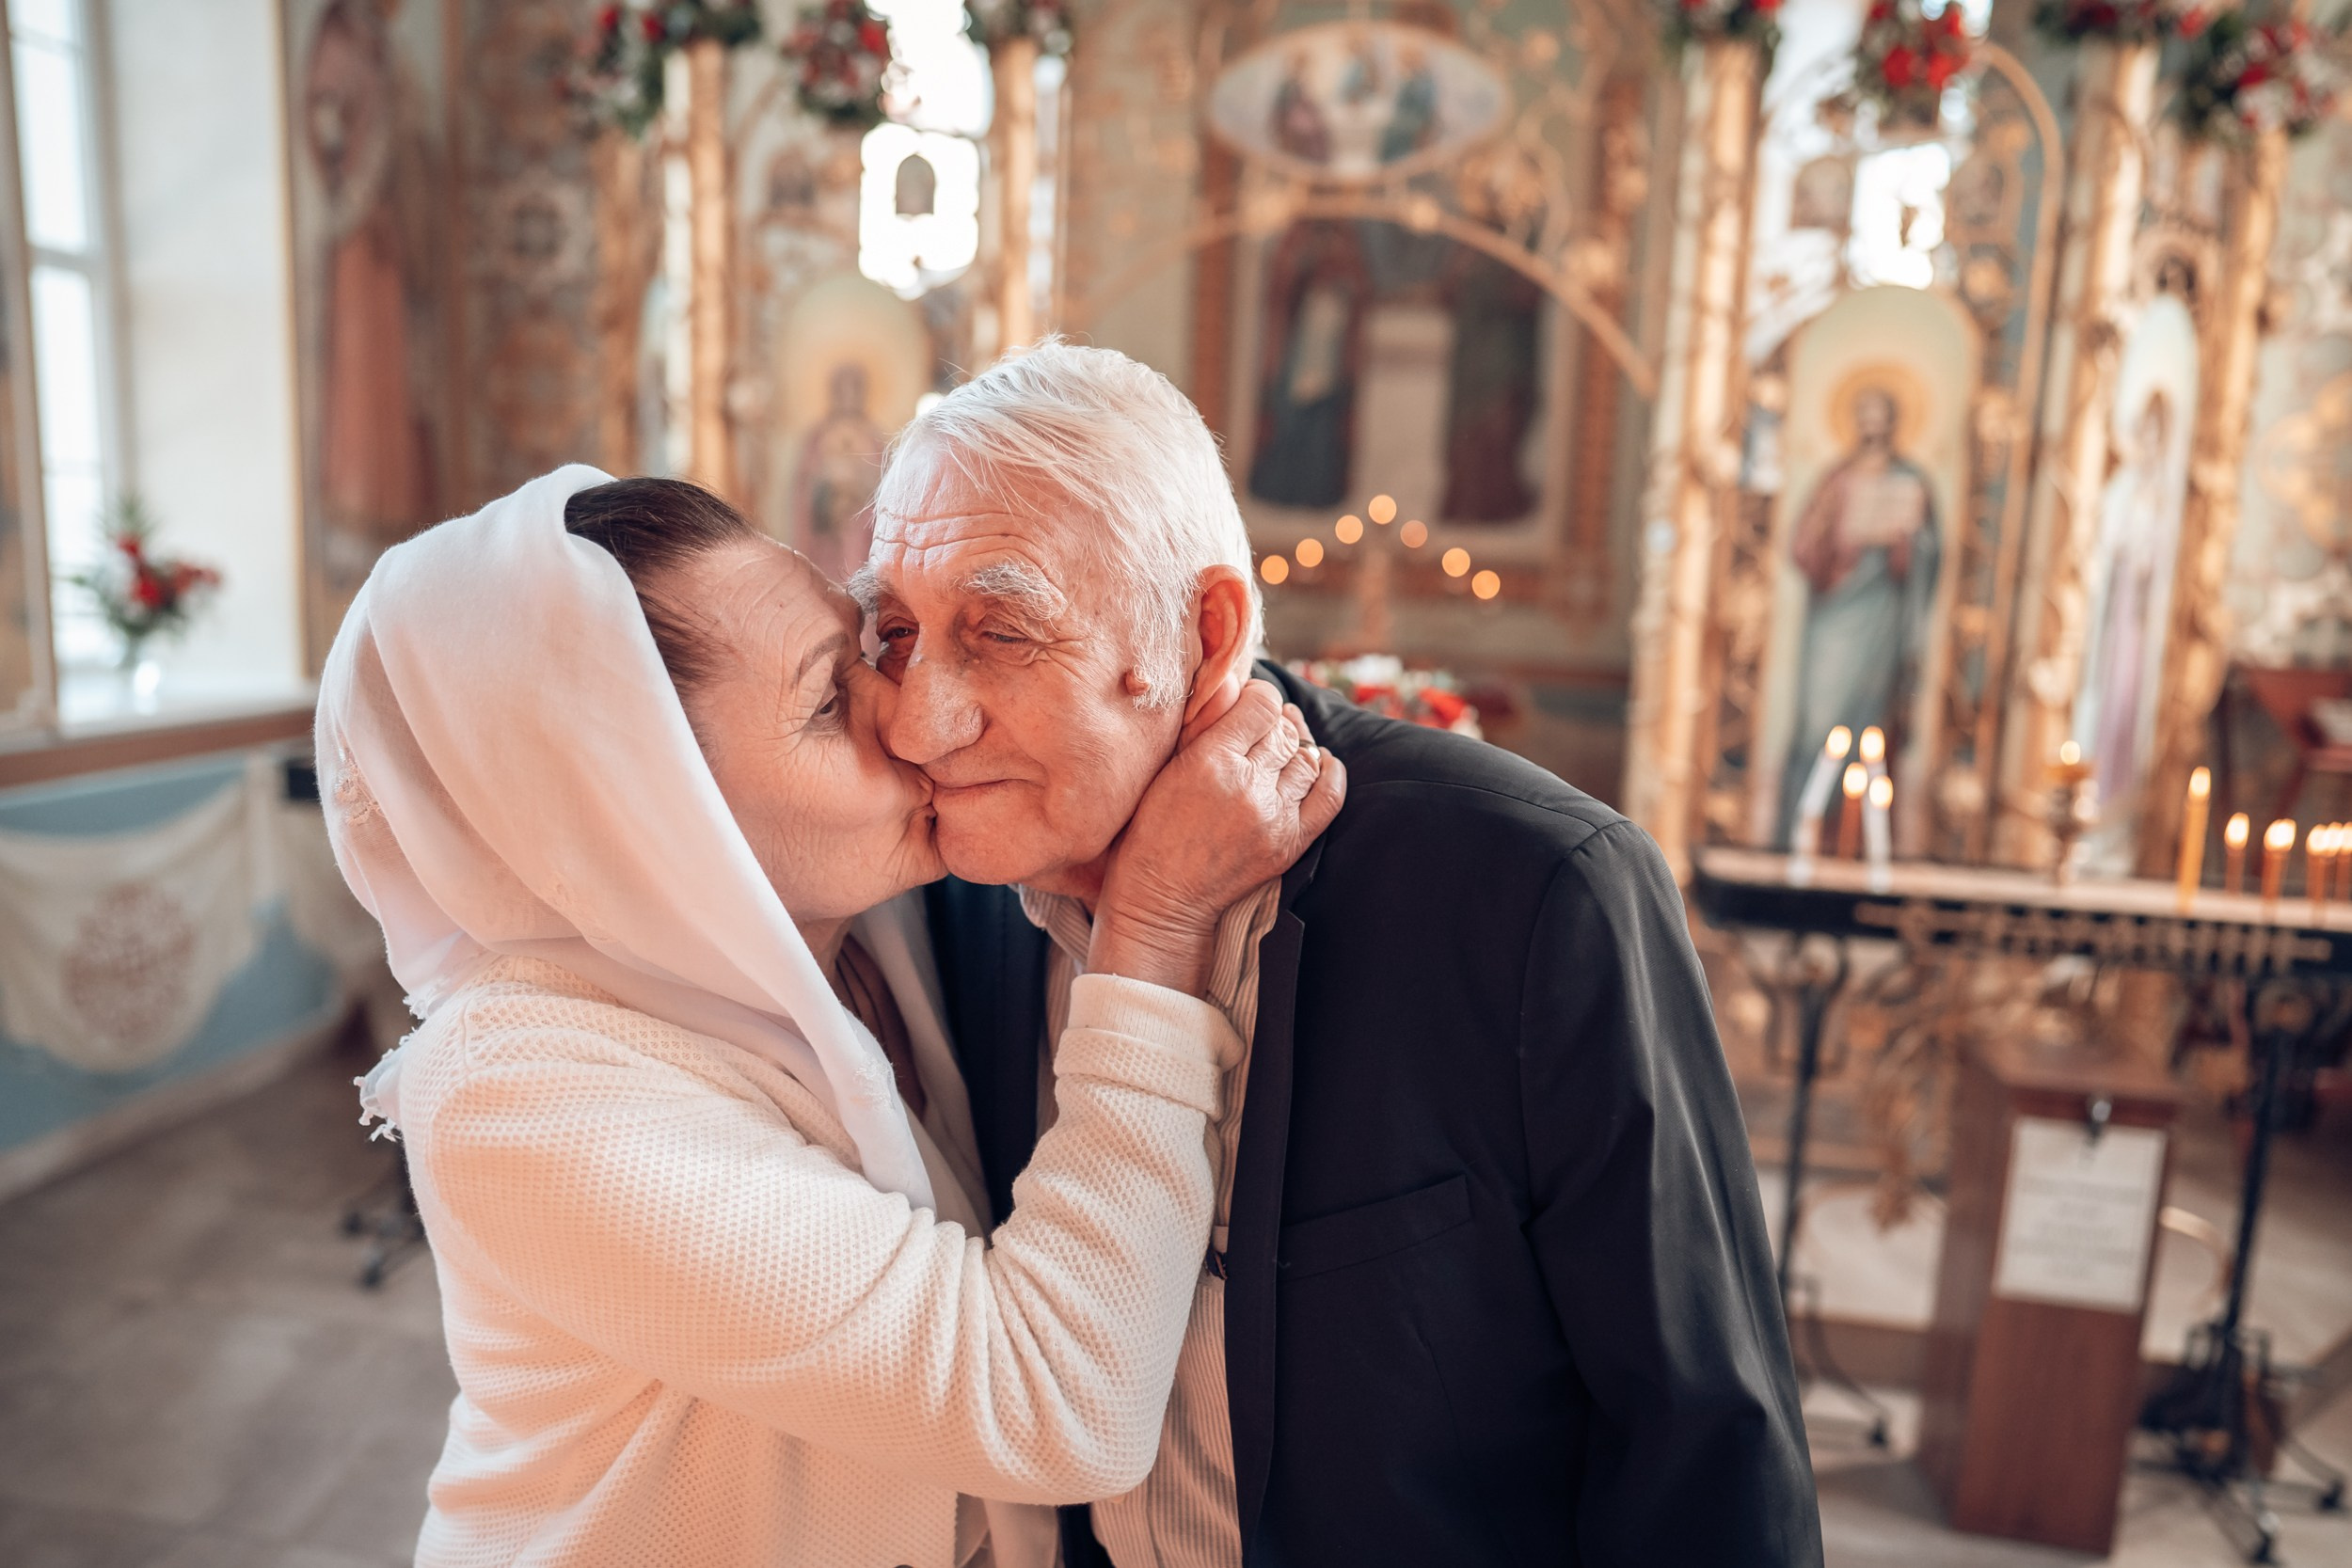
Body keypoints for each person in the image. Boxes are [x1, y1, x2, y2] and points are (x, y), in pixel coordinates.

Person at [860, 342, 1821, 1567]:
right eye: (896, 630)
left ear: (1202, 632)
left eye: (999, 631)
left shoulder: (1530, 892)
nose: (920, 717)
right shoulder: (961, 900)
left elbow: (1706, 1454)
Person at [316, 467, 1343, 1568]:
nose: (908, 716)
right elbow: (1052, 1402)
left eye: (867, 649)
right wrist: (1157, 924)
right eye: (823, 701)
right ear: (643, 815)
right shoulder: (518, 1094)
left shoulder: (863, 922)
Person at [1779, 382, 1941, 847]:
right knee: (1818, 724)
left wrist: (1909, 543)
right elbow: (1805, 545)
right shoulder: (1837, 479)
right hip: (1836, 616)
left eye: (1880, 414)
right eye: (1864, 414)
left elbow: (1930, 554)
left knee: (1870, 723)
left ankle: (1852, 841)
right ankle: (1799, 833)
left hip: (1882, 616)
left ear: (1893, 420)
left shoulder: (1912, 480)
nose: (1872, 424)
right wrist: (1846, 542)